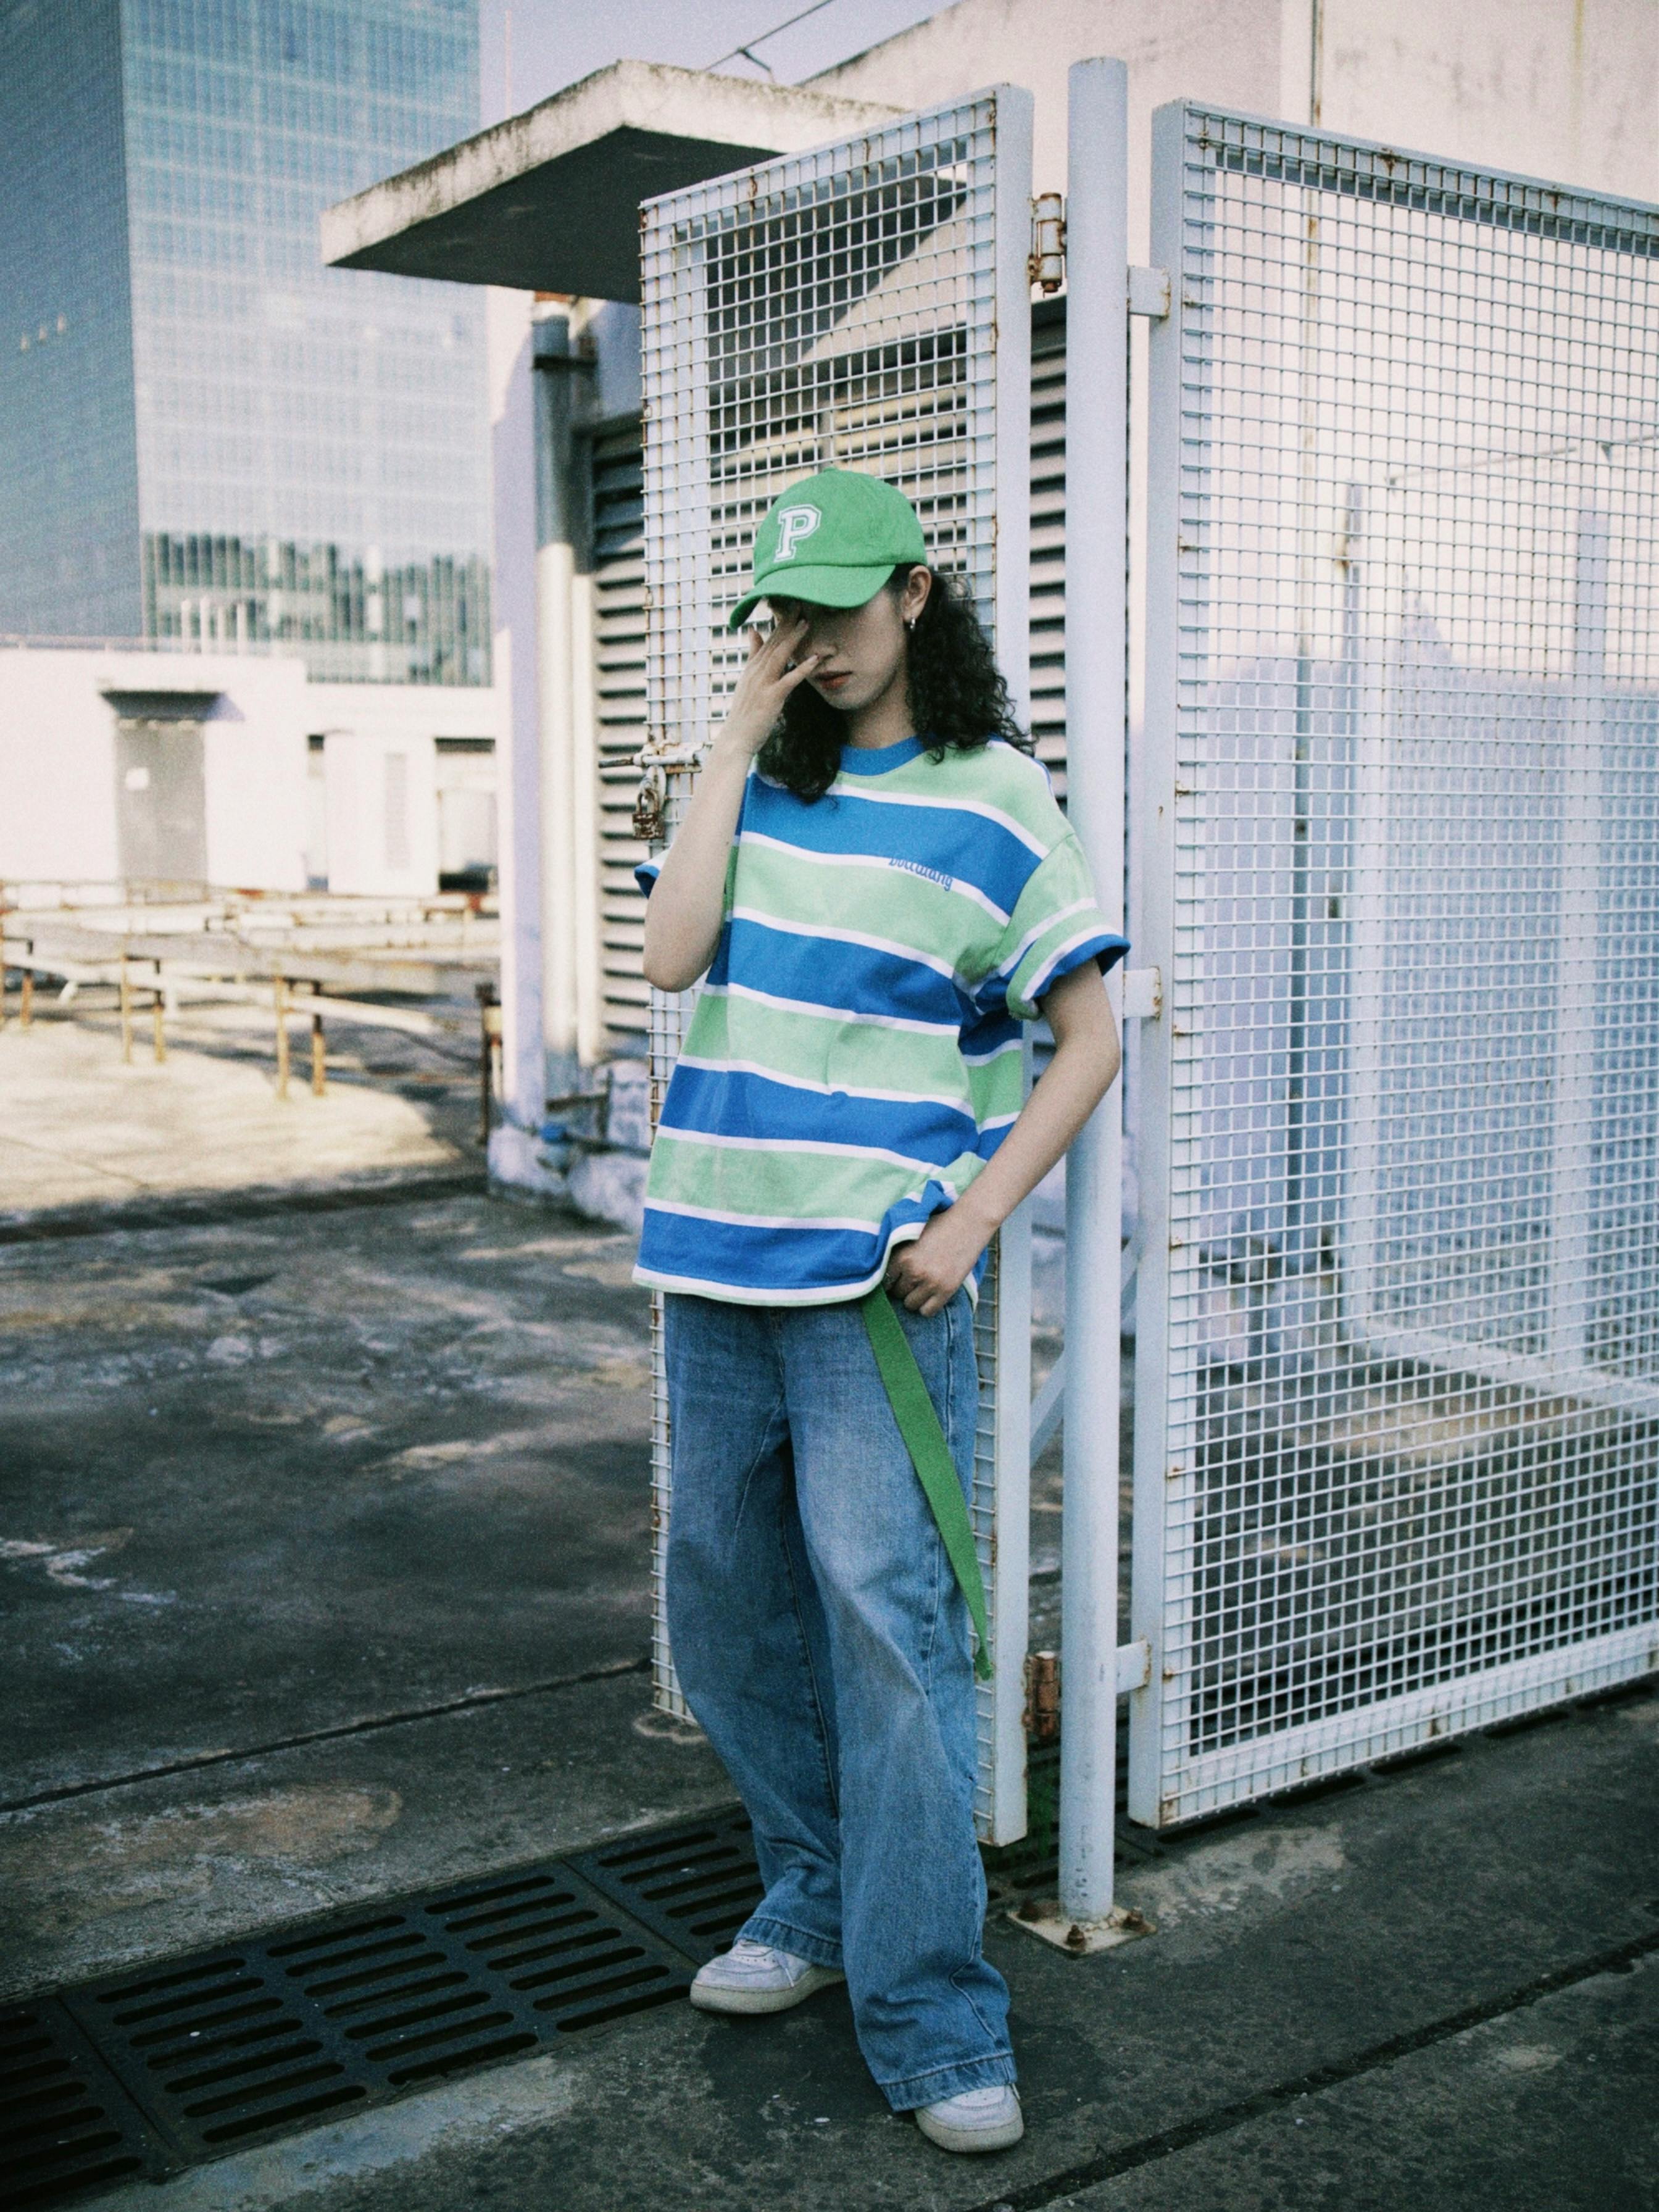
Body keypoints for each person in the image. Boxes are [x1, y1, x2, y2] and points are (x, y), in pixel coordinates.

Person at [636, 467, 1126, 2156]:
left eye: (840, 611)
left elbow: (1088, 1038)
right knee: (725, 1609)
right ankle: (813, 1891)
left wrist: (977, 1218)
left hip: (872, 1286)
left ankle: (932, 2013)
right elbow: (670, 958)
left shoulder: (996, 798)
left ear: (915, 596)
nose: (814, 644)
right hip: (714, 1266)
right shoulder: (758, 783)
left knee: (888, 1639)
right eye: (784, 617)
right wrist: (729, 741)